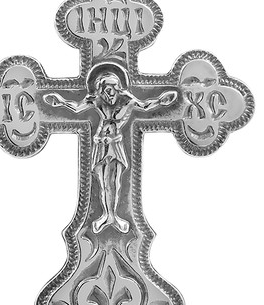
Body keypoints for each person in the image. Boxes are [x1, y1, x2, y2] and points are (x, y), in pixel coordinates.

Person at [44, 71, 176, 233]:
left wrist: (161, 101)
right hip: (101, 143)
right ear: (102, 88)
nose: (110, 91)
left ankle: (114, 216)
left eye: (113, 87)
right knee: (102, 182)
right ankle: (107, 216)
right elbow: (77, 108)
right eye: (107, 88)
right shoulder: (96, 99)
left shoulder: (126, 100)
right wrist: (61, 102)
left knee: (115, 181)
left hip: (116, 143)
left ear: (118, 88)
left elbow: (144, 105)